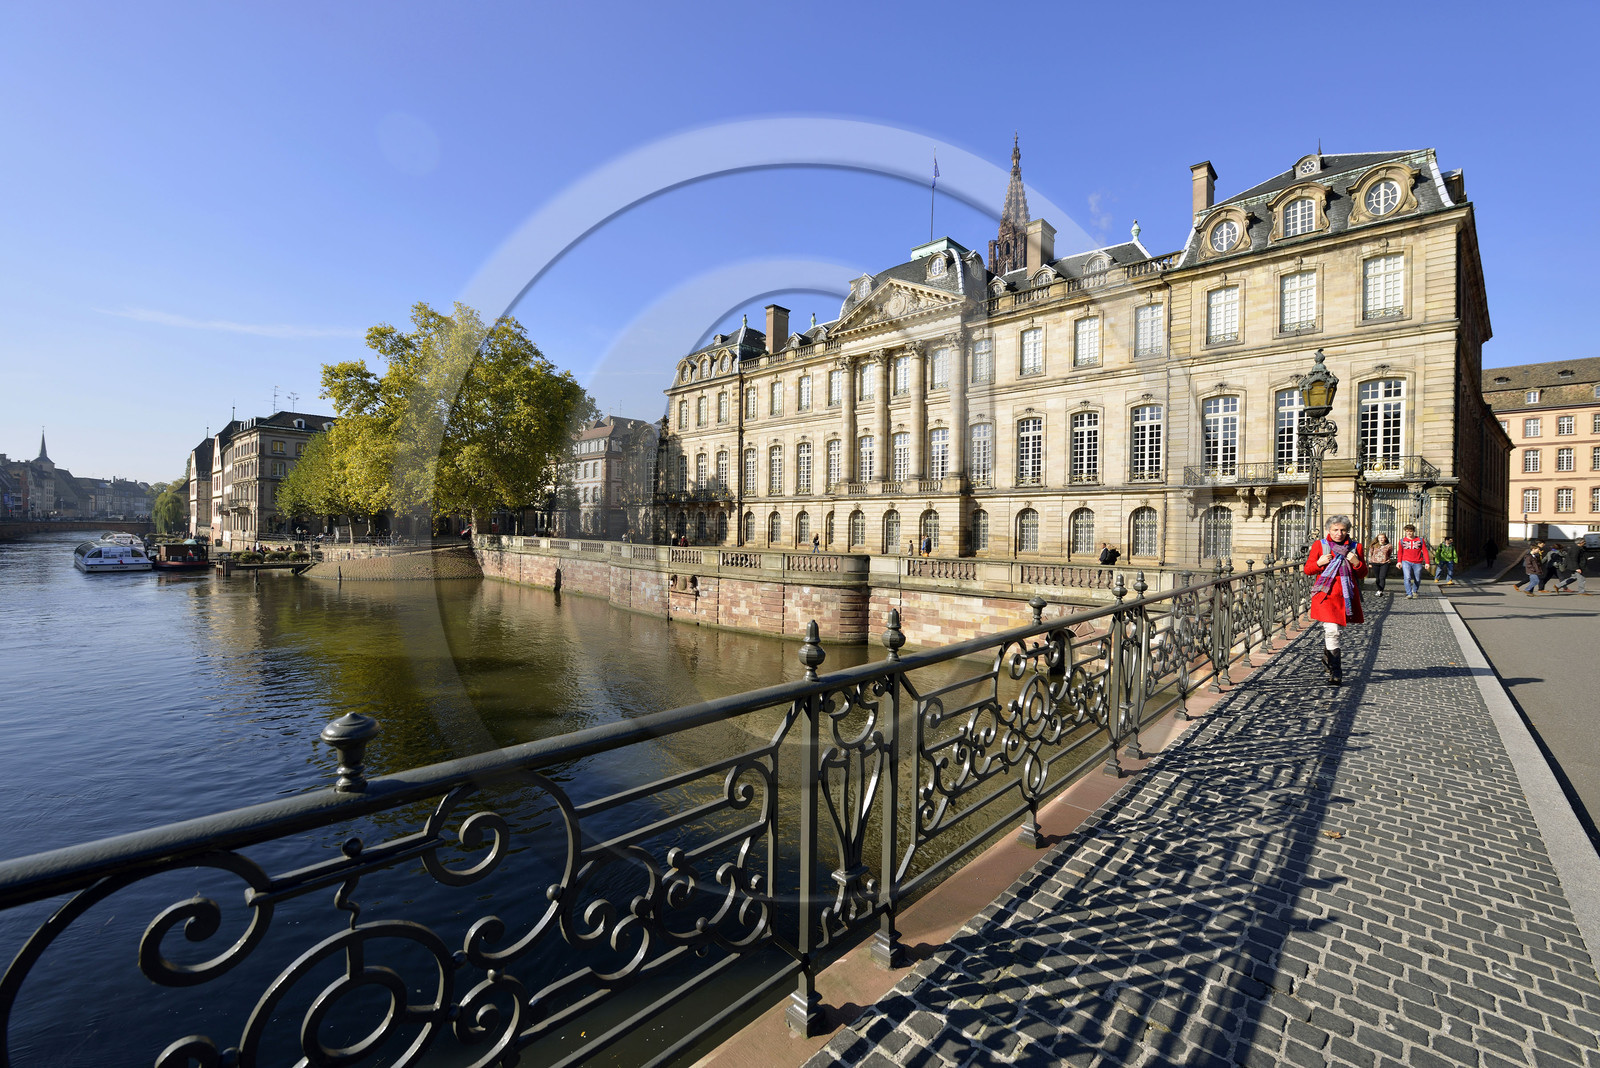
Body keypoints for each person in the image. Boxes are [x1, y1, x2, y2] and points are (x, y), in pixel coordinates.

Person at [1303, 514, 1366, 687]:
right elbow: (1308, 570)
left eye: (1343, 530)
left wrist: (1356, 563)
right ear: (1329, 530)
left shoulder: (1355, 547)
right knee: (1332, 631)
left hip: (1345, 596)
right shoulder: (1320, 545)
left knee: (1335, 631)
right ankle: (1336, 672)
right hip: (1325, 595)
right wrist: (1318, 563)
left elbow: (1362, 574)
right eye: (1335, 530)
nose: (1339, 533)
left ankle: (1328, 658)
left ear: (1347, 531)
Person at [1396, 525, 1431, 599]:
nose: (1409, 533)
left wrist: (1427, 562)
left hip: (1417, 562)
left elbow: (1425, 551)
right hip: (1406, 561)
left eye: (1410, 531)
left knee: (1417, 578)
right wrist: (1399, 562)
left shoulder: (1420, 540)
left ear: (1413, 531)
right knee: (1407, 577)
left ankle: (1414, 591)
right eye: (1407, 531)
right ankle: (1409, 593)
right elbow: (1400, 552)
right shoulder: (1402, 541)